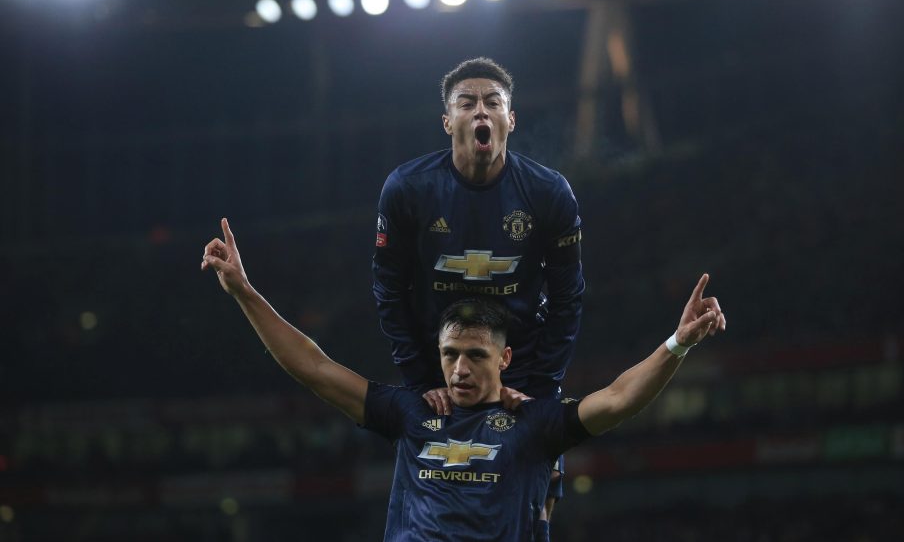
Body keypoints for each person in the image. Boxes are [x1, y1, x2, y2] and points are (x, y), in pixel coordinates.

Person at [203, 218, 726, 542]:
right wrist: (244, 293)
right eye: (450, 354)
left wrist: (678, 343)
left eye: (475, 355)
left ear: (505, 359)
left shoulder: (536, 421)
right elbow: (314, 367)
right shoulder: (412, 411)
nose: (459, 368)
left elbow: (618, 398)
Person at [372, 57, 585, 522]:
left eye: (493, 102)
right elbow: (388, 289)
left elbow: (568, 299)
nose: (481, 112)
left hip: (523, 368)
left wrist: (540, 390)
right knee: (442, 498)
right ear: (449, 122)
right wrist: (421, 380)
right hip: (443, 374)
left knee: (535, 506)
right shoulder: (408, 188)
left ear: (511, 119)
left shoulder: (549, 193)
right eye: (467, 103)